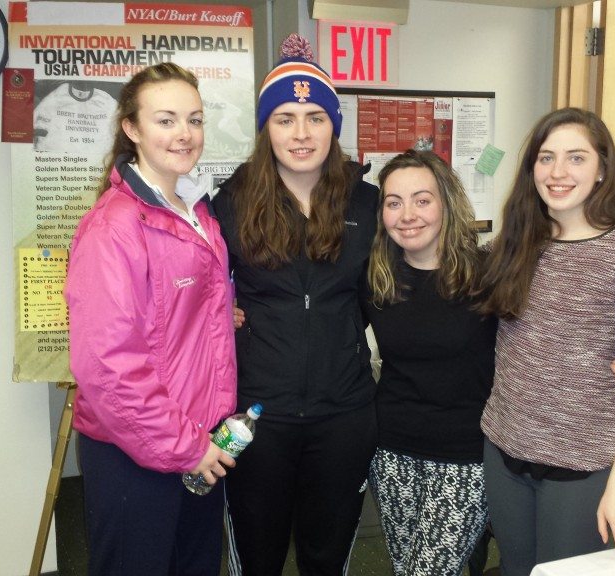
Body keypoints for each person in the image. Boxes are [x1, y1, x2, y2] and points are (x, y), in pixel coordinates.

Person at [211, 34, 379, 575]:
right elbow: (199, 287)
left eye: (315, 118)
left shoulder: (368, 204)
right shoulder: (230, 203)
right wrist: (219, 314)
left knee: (326, 558)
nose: (301, 134)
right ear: (267, 128)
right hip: (255, 418)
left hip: (343, 414)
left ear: (334, 126)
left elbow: (393, 294)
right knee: (256, 556)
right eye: (285, 119)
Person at [477, 107, 615, 575]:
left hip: (581, 467)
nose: (558, 172)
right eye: (546, 158)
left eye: (576, 158)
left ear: (602, 169)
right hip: (504, 451)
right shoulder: (516, 243)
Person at [65, 62, 237, 576]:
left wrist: (218, 313)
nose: (184, 133)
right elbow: (107, 365)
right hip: (138, 451)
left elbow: (169, 316)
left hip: (199, 438)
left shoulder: (194, 212)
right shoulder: (114, 227)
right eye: (166, 120)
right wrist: (186, 447)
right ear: (132, 129)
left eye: (194, 119)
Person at [364, 150, 495, 575]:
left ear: (446, 204)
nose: (407, 215)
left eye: (422, 200)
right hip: (392, 450)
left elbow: (546, 330)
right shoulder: (376, 277)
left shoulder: (488, 275)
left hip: (466, 455)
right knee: (407, 568)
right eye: (394, 202)